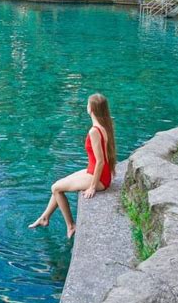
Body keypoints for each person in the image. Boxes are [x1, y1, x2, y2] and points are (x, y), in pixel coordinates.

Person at [28, 93, 116, 239]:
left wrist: (93, 187)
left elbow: (100, 160)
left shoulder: (94, 131)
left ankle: (71, 225)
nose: (86, 106)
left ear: (91, 109)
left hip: (98, 176)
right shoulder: (104, 126)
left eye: (88, 104)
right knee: (59, 185)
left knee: (55, 188)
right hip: (96, 171)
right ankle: (44, 217)